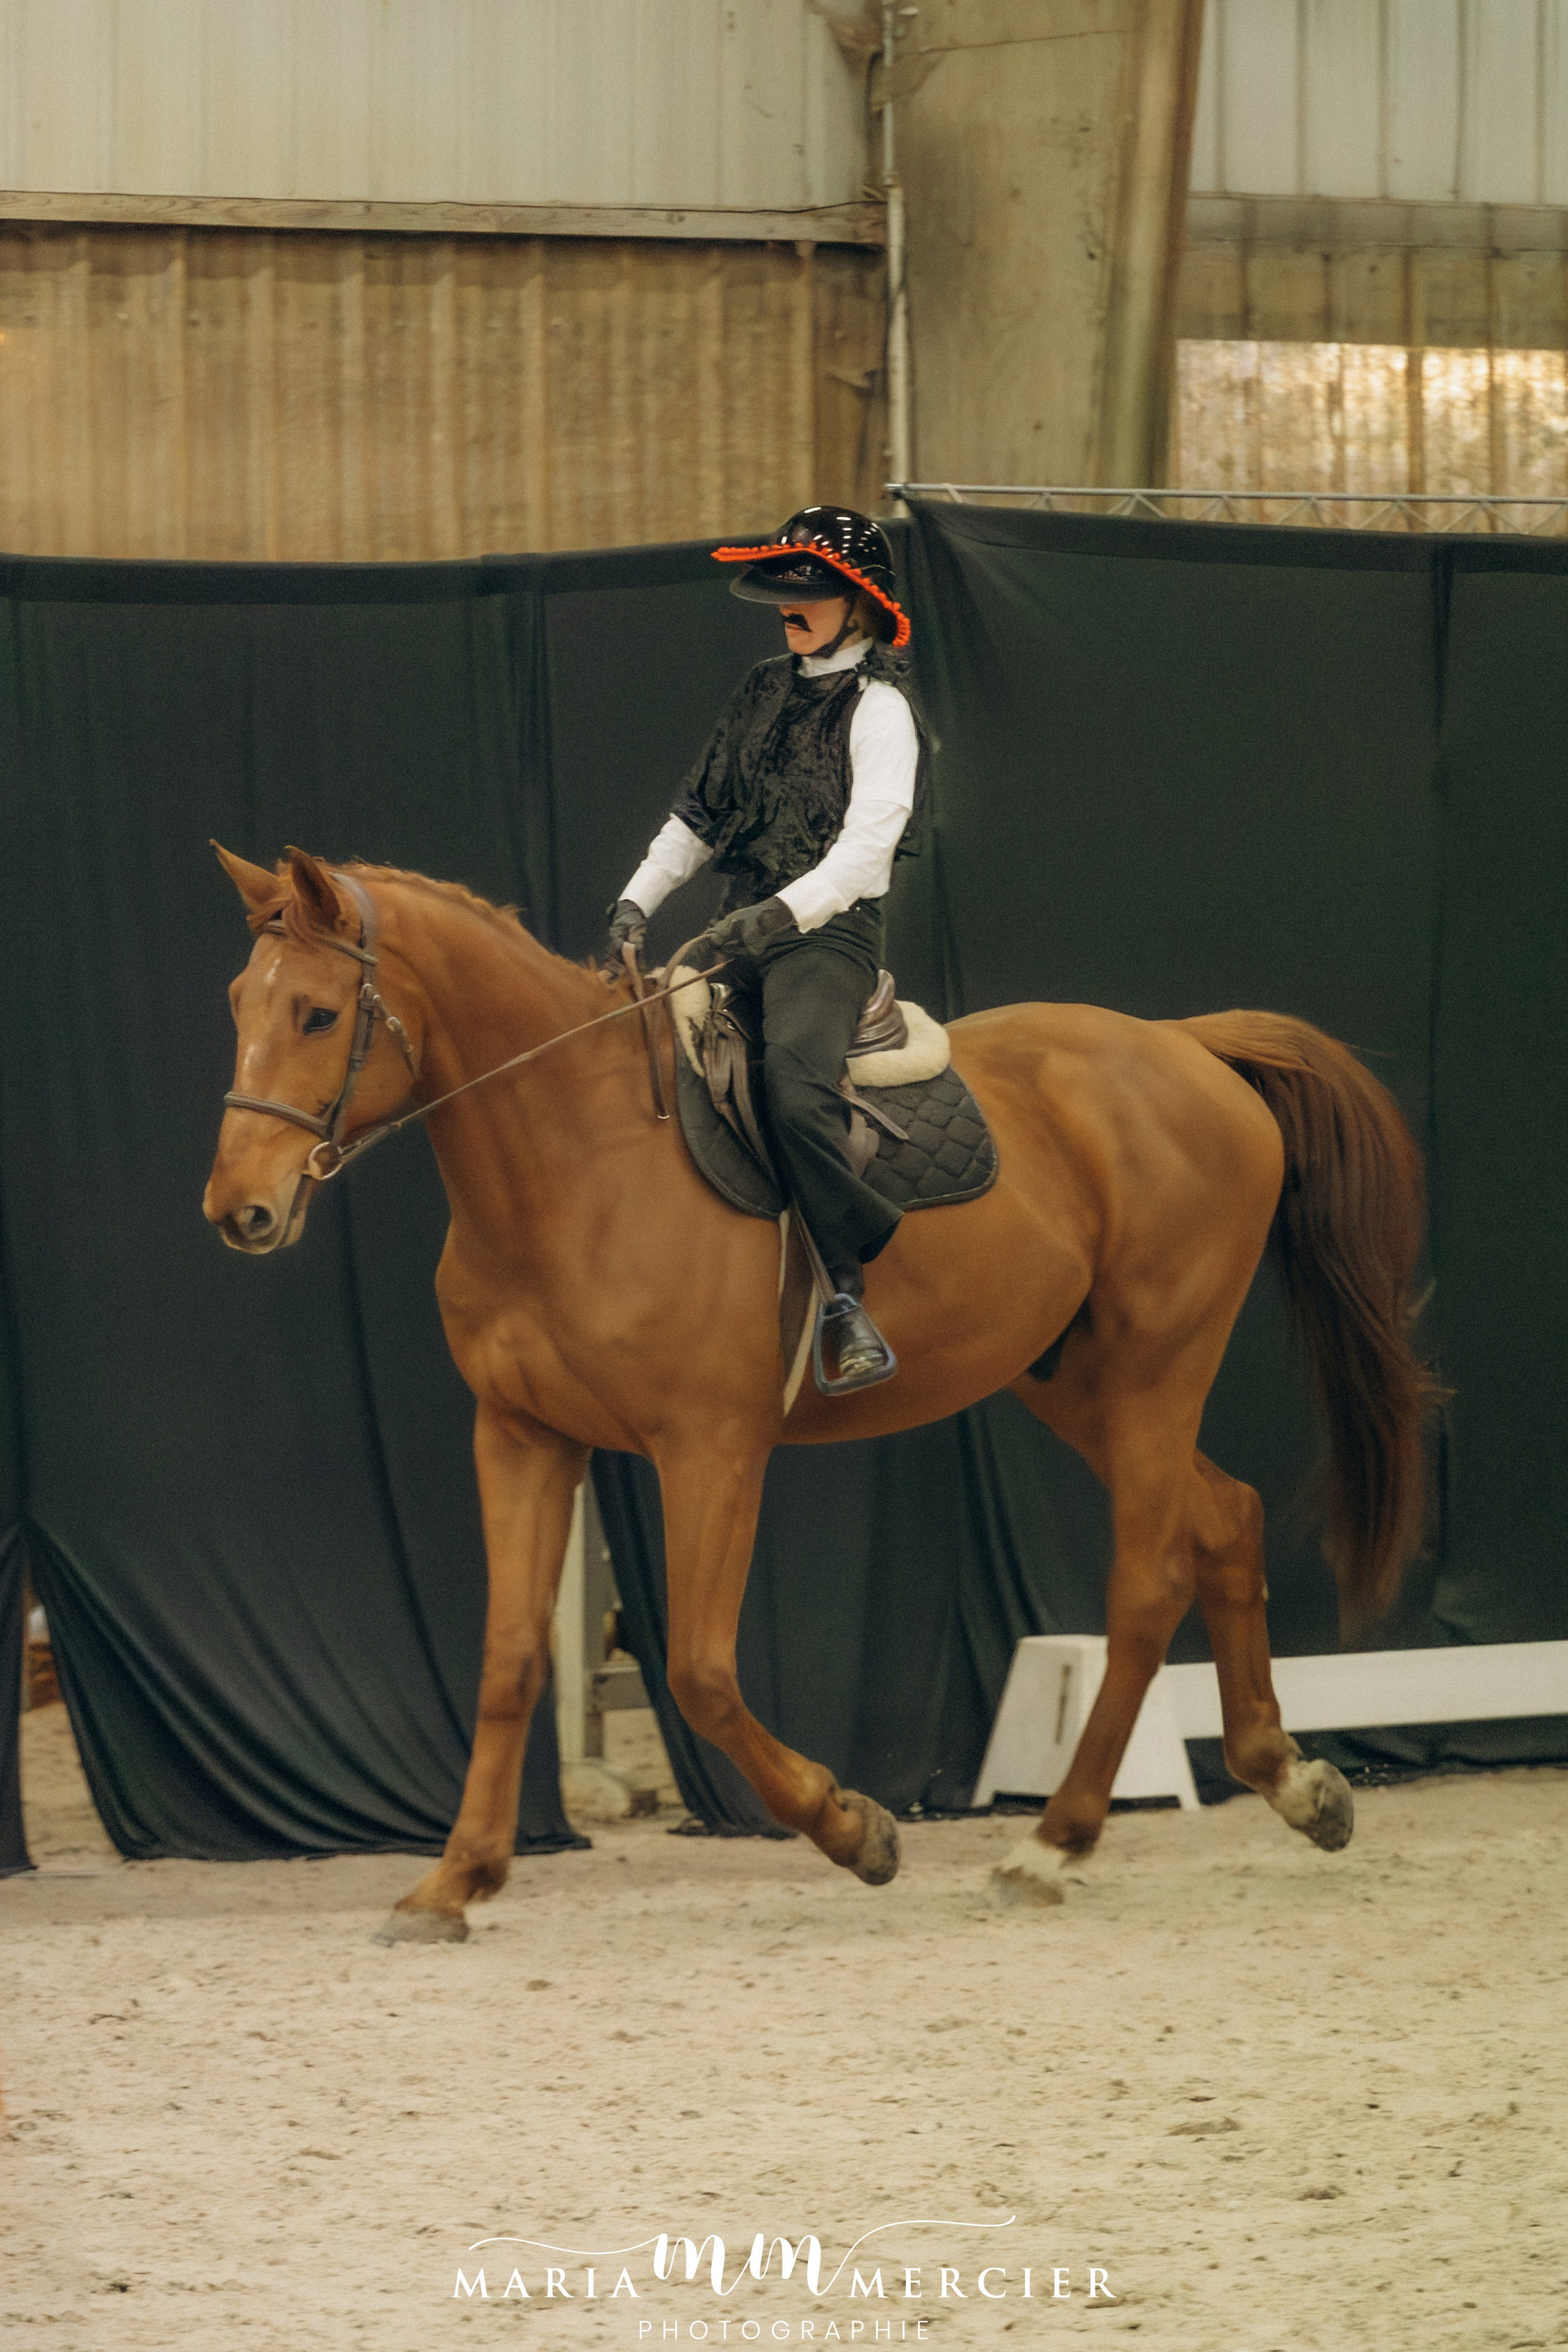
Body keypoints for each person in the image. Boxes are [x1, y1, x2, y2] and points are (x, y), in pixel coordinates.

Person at [601, 506, 929, 1392]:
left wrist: (782, 917)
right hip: (737, 923)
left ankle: (845, 1294)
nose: (788, 608)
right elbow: (696, 816)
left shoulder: (882, 710)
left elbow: (867, 851)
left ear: (860, 605)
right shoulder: (759, 689)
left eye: (809, 594)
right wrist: (637, 899)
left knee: (790, 1077)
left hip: (826, 935)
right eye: (784, 594)